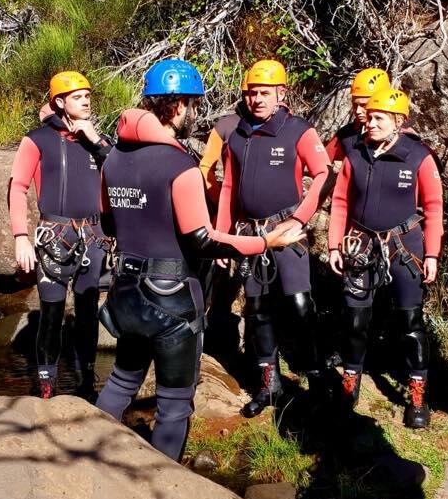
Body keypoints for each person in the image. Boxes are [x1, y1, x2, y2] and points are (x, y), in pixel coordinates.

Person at [95, 58, 305, 460]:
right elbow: (201, 239)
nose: (194, 113)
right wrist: (266, 242)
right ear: (176, 108)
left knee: (121, 382)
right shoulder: (180, 165)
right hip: (170, 296)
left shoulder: (114, 159)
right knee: (175, 404)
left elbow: (108, 220)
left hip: (126, 289)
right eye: (192, 104)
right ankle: (165, 491)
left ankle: (94, 464)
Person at [215, 59, 332, 417]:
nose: (257, 99)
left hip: (288, 230)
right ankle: (269, 386)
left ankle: (318, 383)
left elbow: (324, 174)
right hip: (252, 233)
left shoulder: (298, 130)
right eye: (251, 93)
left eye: (264, 92)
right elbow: (229, 186)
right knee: (258, 311)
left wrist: (298, 219)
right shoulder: (237, 134)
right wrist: (222, 236)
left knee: (299, 307)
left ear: (281, 93)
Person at [328, 88, 443, 427]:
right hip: (361, 245)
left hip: (405, 248)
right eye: (369, 116)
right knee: (355, 320)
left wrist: (432, 254)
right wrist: (335, 245)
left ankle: (417, 395)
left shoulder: (418, 156)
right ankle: (350, 385)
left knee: (410, 323)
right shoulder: (356, 155)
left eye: (378, 118)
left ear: (398, 121)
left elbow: (434, 208)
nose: (369, 122)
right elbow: (340, 203)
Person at [9, 71, 111, 399]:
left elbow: (120, 175)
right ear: (60, 102)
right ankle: (46, 384)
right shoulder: (37, 139)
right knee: (51, 315)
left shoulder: (99, 142)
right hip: (53, 236)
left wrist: (95, 140)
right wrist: (20, 236)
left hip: (92, 237)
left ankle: (85, 382)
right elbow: (18, 186)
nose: (86, 100)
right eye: (78, 96)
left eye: (87, 95)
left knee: (86, 315)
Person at [324, 67, 392, 163]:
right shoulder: (346, 135)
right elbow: (323, 162)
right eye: (355, 105)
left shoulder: (404, 140)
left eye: (364, 105)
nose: (358, 111)